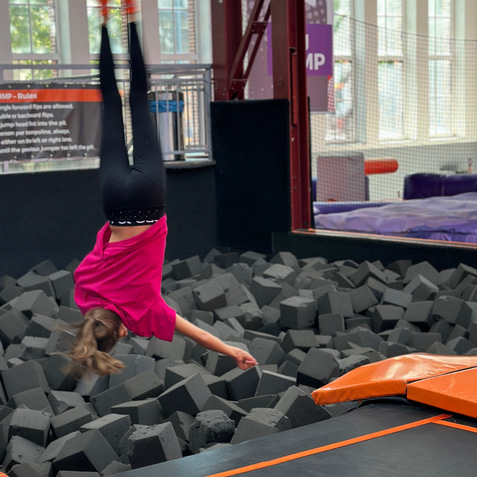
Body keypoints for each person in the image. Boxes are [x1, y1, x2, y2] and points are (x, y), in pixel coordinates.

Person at [68, 0, 257, 377]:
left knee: (139, 99)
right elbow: (92, 264)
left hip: (149, 199)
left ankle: (131, 17)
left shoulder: (144, 314)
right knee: (111, 104)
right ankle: (105, 20)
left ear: (122, 333)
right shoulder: (85, 297)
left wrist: (231, 350)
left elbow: (199, 335)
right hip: (115, 202)